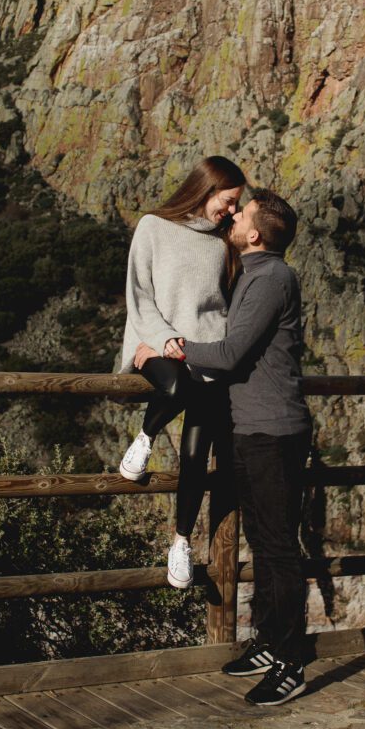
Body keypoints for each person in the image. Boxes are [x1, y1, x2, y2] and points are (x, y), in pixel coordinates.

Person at [170, 189, 311, 707]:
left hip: (273, 434)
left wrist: (175, 348)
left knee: (278, 549)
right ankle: (269, 644)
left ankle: (291, 663)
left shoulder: (273, 278)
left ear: (255, 234)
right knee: (263, 544)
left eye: (241, 213)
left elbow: (230, 354)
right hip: (252, 429)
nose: (232, 215)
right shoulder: (254, 273)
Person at [117, 155, 246, 590]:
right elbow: (139, 293)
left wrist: (220, 351)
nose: (230, 211)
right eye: (227, 201)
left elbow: (226, 305)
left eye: (235, 205)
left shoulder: (223, 242)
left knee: (195, 456)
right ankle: (145, 438)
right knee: (173, 386)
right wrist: (162, 338)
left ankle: (181, 541)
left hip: (207, 354)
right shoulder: (154, 226)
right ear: (206, 189)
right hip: (157, 343)